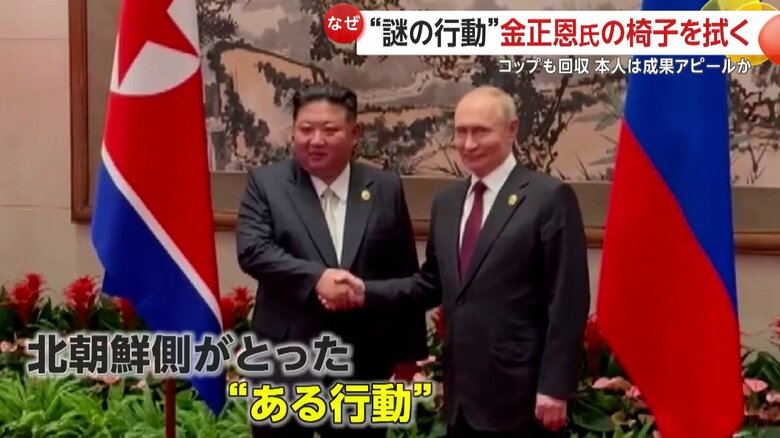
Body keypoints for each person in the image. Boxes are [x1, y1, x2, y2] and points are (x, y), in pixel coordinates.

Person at [324, 86, 591, 437]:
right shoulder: (448, 202)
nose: (468, 144)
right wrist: (364, 292)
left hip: (523, 396)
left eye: (480, 131)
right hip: (461, 396)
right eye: (461, 132)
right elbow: (432, 283)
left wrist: (555, 387)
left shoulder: (548, 198)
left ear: (512, 130)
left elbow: (568, 299)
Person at [235, 84, 429, 437]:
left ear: (355, 133)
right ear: (293, 131)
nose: (316, 140)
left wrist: (408, 354)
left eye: (329, 130)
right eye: (306, 129)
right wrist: (316, 279)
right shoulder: (267, 184)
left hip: (364, 360)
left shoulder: (384, 187)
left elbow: (404, 270)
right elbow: (254, 251)